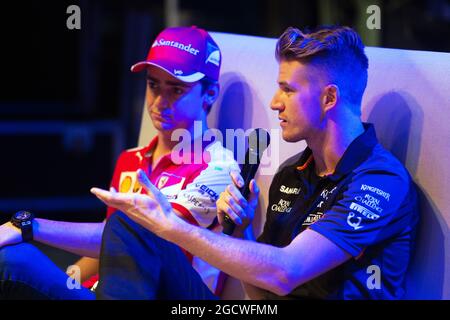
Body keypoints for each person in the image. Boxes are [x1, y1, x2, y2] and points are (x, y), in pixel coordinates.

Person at [92, 25, 419, 300]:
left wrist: (172, 226)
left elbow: (284, 272)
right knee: (129, 225)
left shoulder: (380, 179)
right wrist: (242, 232)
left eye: (287, 90)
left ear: (328, 98)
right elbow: (262, 293)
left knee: (145, 226)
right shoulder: (292, 172)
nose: (275, 103)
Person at [0, 26, 239, 299]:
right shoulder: (131, 158)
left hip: (166, 295)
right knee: (12, 259)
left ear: (209, 94)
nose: (160, 102)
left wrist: (30, 227)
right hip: (107, 290)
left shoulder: (218, 168)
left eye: (176, 89)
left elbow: (140, 239)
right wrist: (62, 283)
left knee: (15, 260)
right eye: (153, 85)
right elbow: (109, 249)